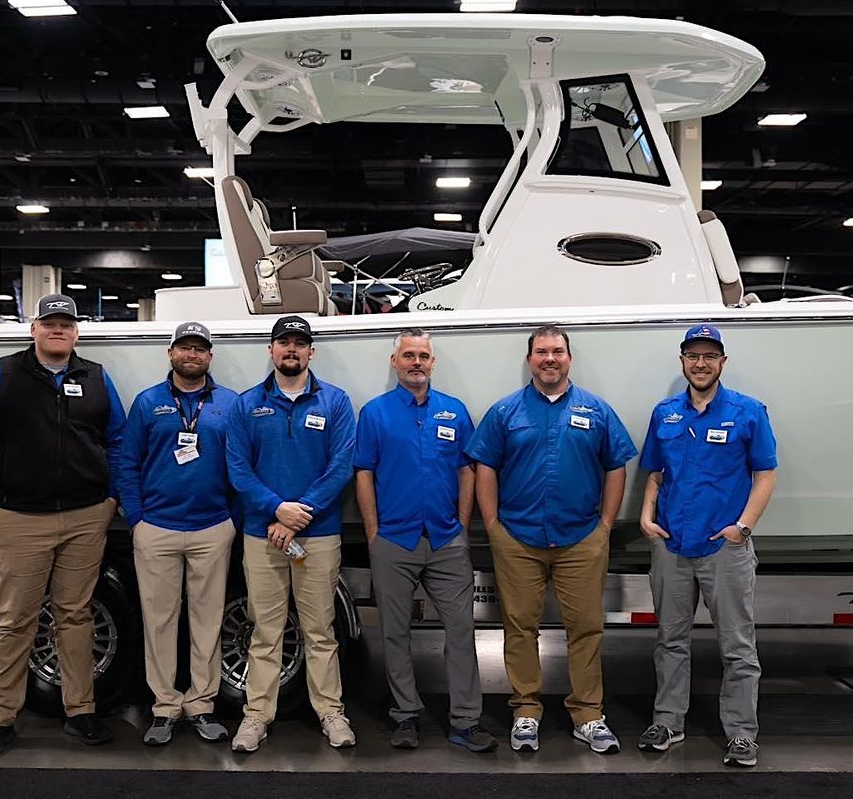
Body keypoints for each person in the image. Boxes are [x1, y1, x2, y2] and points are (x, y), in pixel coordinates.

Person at [0, 293, 125, 758]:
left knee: (77, 616)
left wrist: (111, 499)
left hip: (86, 517)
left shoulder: (95, 377)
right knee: (15, 620)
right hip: (18, 519)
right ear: (34, 328)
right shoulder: (2, 374)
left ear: (76, 332)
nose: (58, 330)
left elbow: (117, 439)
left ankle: (81, 711)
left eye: (66, 324)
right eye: (49, 322)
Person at [466, 324, 636, 754]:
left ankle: (588, 715)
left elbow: (616, 465)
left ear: (569, 358)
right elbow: (485, 466)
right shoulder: (505, 412)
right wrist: (492, 524)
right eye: (541, 351)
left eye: (557, 351)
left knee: (586, 628)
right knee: (520, 627)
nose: (550, 359)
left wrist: (605, 525)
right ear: (530, 360)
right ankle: (526, 711)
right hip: (517, 539)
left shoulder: (596, 410)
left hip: (581, 539)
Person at [636, 324, 777, 768]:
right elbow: (655, 472)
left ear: (722, 362)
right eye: (693, 356)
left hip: (724, 549)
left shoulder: (748, 412)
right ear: (683, 362)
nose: (701, 364)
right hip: (672, 545)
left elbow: (766, 474)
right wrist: (645, 517)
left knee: (737, 646)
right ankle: (668, 722)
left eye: (709, 356)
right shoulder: (665, 414)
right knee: (670, 640)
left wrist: (743, 528)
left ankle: (741, 733)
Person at [354, 329, 496, 752]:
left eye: (423, 356)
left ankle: (465, 721)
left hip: (446, 540)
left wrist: (462, 524)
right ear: (394, 362)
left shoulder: (454, 411)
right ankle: (405, 715)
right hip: (393, 541)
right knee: (394, 634)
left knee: (462, 630)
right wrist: (373, 533)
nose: (416, 362)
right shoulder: (375, 413)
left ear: (433, 363)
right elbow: (364, 473)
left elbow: (467, 470)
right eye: (408, 355)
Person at [225, 315, 357, 753]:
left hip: (317, 536)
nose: (292, 349)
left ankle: (331, 712)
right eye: (284, 342)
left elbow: (341, 466)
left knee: (320, 630)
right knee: (265, 630)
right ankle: (256, 716)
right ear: (271, 350)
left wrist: (298, 515)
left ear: (311, 352)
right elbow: (238, 470)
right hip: (262, 534)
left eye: (300, 343)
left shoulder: (335, 402)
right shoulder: (247, 405)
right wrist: (276, 509)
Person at [118, 321, 239, 747]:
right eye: (184, 347)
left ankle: (201, 704)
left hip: (212, 528)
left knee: (208, 622)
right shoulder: (148, 402)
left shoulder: (229, 403)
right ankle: (165, 707)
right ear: (170, 353)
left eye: (199, 349)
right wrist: (137, 518)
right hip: (157, 529)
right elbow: (127, 463)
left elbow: (242, 464)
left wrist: (233, 519)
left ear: (210, 356)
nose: (192, 354)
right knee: (159, 622)